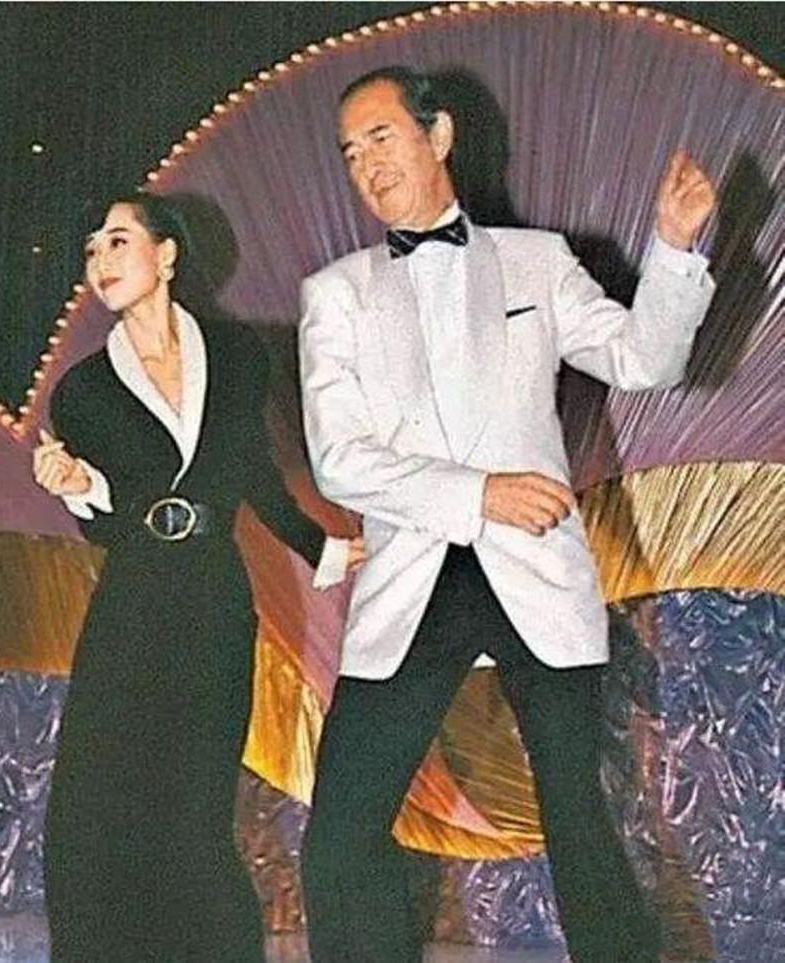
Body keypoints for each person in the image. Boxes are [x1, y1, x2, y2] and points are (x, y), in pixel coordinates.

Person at [298, 66, 716, 963]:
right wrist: (477, 493)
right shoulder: (336, 294)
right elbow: (339, 459)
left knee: (582, 823)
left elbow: (643, 360)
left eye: (381, 138)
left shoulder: (538, 261)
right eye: (350, 153)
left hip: (533, 573)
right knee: (340, 835)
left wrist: (675, 252)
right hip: (413, 584)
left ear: (439, 136)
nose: (366, 165)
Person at [32, 193, 360, 962]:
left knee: (195, 811)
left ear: (168, 254)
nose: (100, 260)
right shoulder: (81, 390)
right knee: (92, 804)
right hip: (133, 602)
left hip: (214, 599)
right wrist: (81, 485)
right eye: (91, 249)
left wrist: (321, 547)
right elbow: (107, 524)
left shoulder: (237, 356)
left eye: (118, 240)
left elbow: (254, 473)